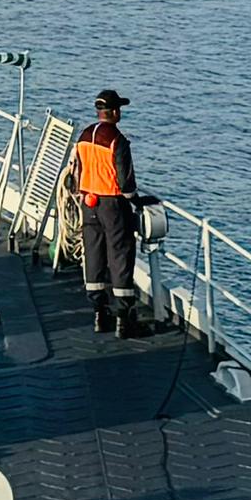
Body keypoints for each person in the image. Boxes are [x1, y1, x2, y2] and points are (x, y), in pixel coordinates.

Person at [72, 90, 148, 338]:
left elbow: (77, 172)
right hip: (112, 205)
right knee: (120, 256)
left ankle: (98, 313)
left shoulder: (83, 137)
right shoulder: (117, 140)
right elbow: (125, 182)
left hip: (88, 202)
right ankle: (124, 321)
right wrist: (137, 201)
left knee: (93, 254)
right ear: (114, 112)